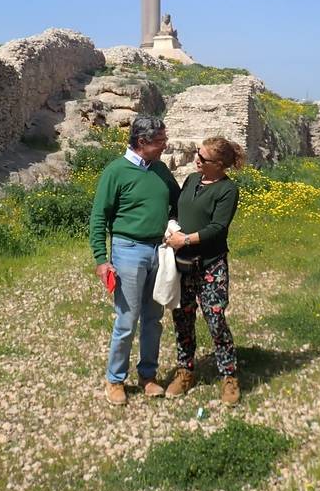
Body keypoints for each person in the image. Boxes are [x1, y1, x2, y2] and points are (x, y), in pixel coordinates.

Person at [90, 115, 180, 407]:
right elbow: (99, 217)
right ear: (142, 142)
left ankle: (148, 376)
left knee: (153, 319)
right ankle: (115, 380)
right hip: (127, 251)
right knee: (127, 320)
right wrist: (102, 259)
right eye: (160, 142)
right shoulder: (115, 171)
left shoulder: (161, 170)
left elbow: (178, 201)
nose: (165, 146)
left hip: (159, 251)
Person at [165, 137, 243, 406]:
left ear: (219, 165)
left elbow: (218, 228)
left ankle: (229, 376)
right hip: (183, 265)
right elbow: (177, 210)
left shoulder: (227, 190)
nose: (196, 159)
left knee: (216, 320)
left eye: (203, 157)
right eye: (198, 153)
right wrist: (172, 227)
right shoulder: (190, 181)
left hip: (211, 264)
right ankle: (185, 371)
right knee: (182, 318)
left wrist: (185, 240)